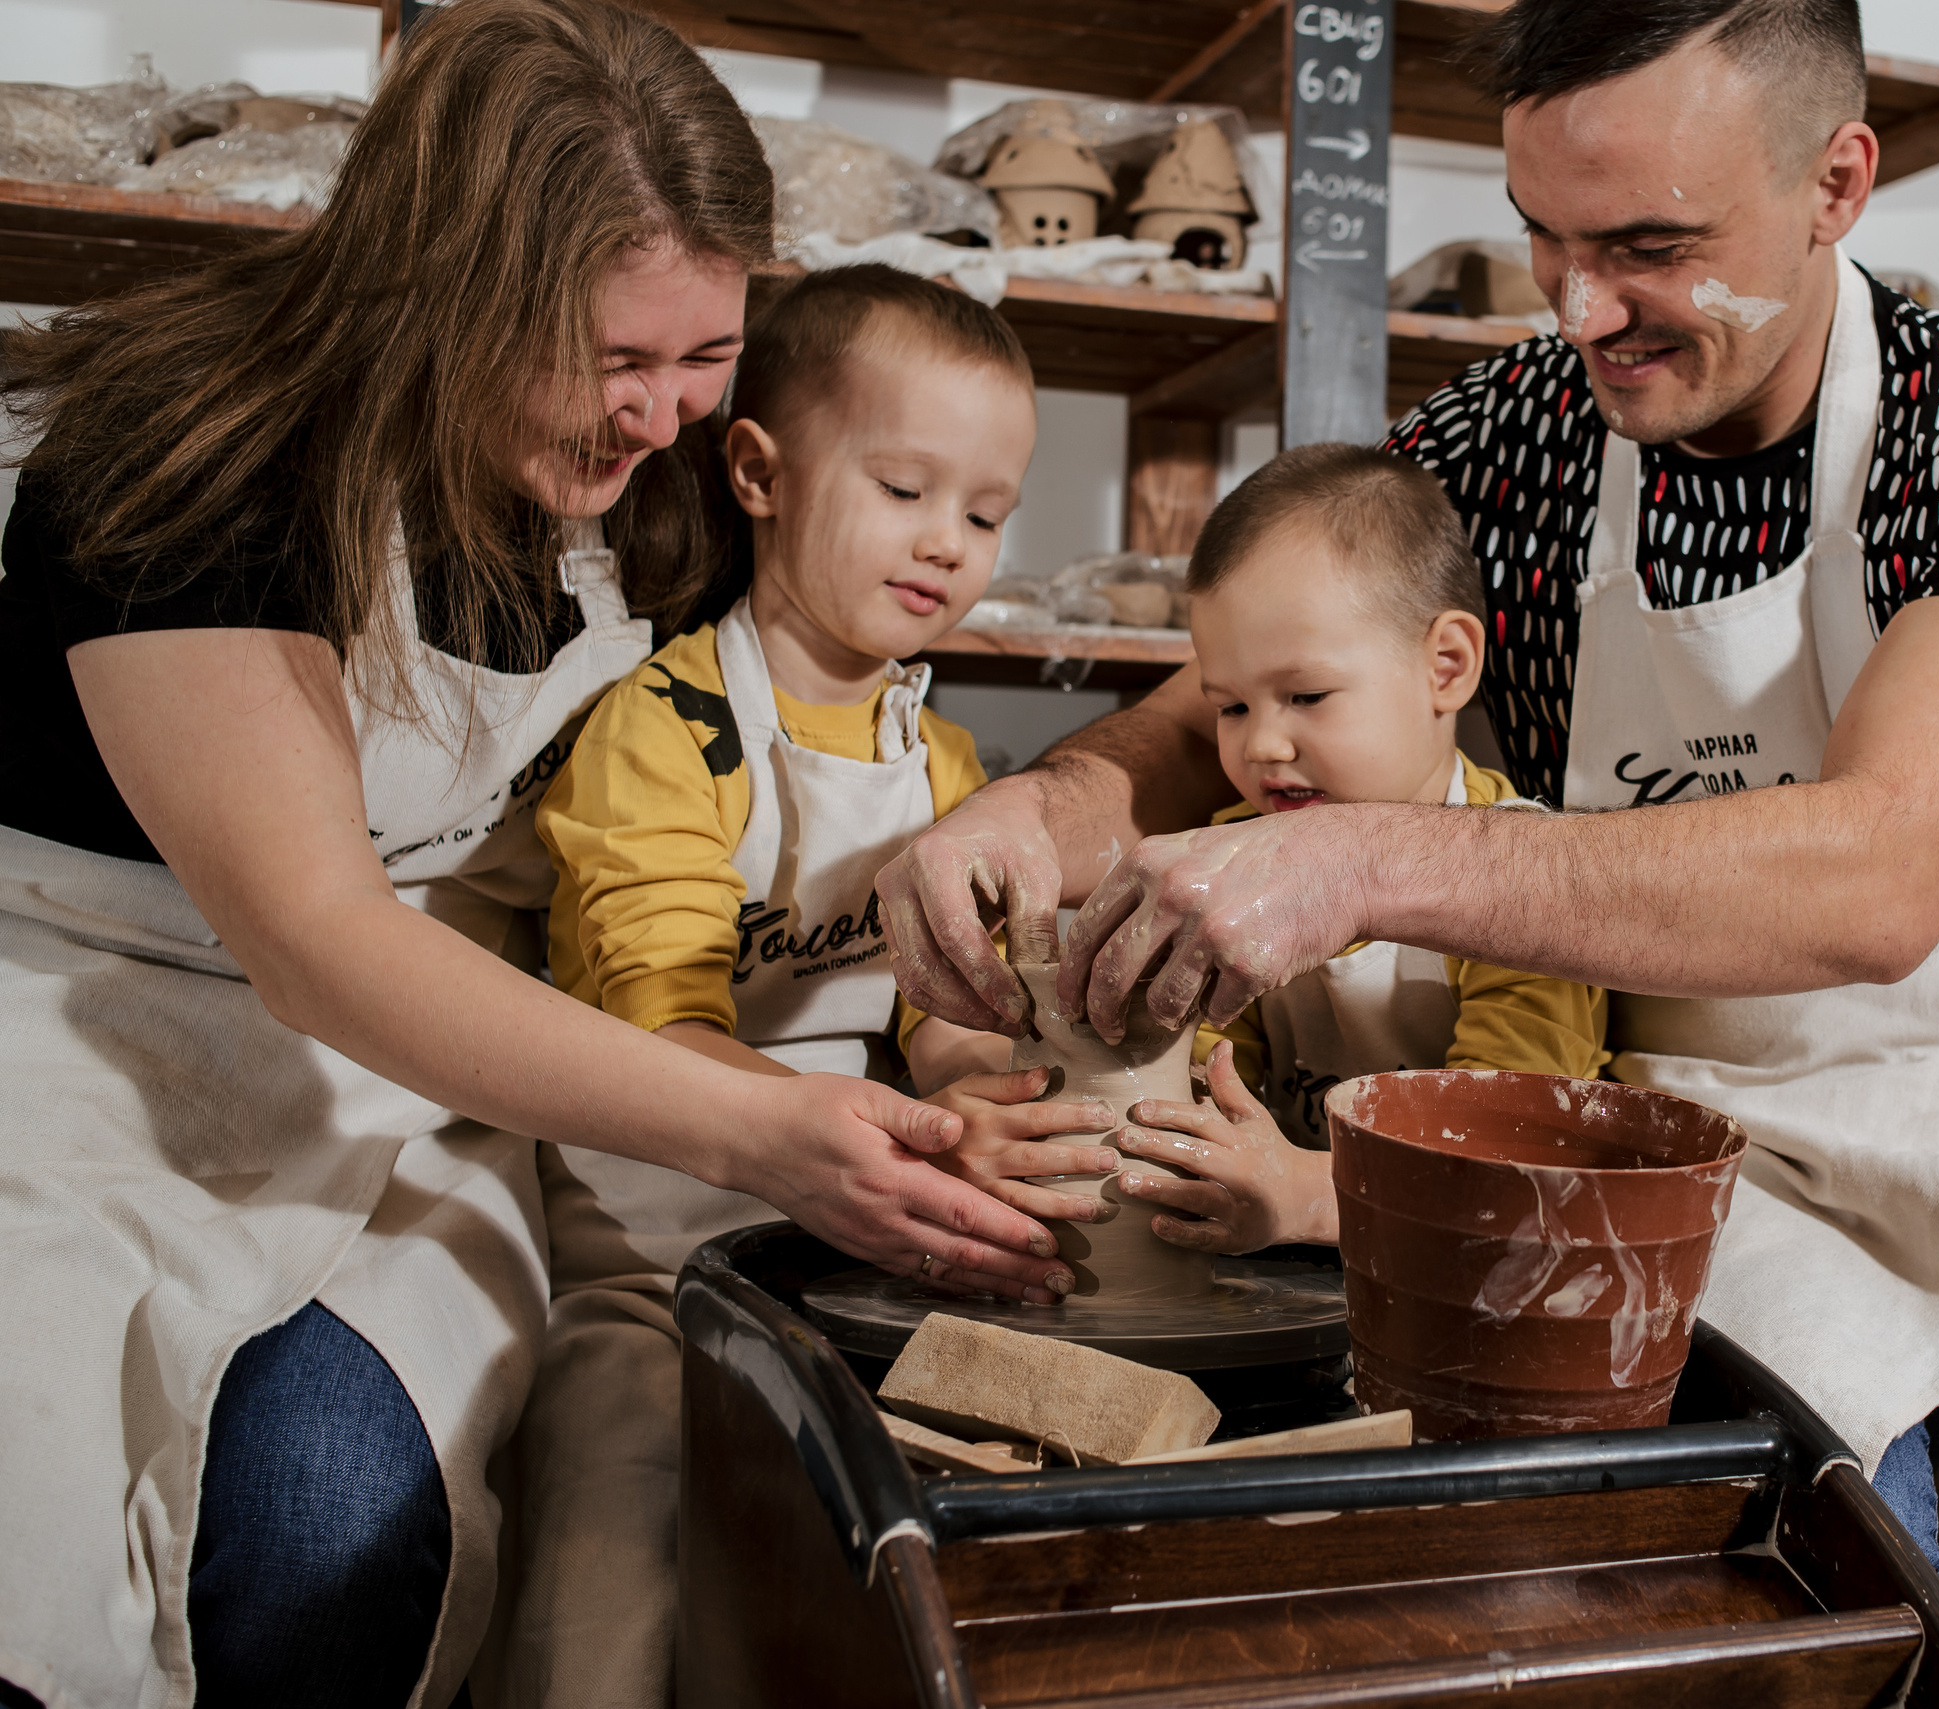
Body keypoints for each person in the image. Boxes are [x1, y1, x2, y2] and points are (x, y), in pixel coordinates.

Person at [877, 3, 1939, 1704]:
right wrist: (1036, 808)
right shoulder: (1502, 439)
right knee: (1808, 1538)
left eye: (1649, 247)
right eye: (1546, 238)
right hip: (1682, 1104)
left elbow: (1883, 877)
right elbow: (1198, 714)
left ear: (1838, 182)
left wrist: (1365, 861)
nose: (1579, 307)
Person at [0, 6, 1064, 1705]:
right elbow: (314, 937)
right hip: (97, 1025)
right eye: (610, 356)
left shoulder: (659, 482)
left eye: (705, 354)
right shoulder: (189, 454)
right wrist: (764, 1125)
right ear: (436, 282)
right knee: (74, 1537)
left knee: (335, 1520)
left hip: (432, 1061)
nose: (658, 414)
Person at [512, 265, 1118, 1705]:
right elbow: (664, 1034)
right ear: (760, 472)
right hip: (651, 1244)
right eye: (905, 488)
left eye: (986, 514)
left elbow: (943, 1024)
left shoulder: (947, 769)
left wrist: (990, 1107)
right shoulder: (663, 732)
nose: (947, 542)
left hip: (849, 1236)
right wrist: (915, 1144)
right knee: (613, 1538)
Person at [1104, 444, 1606, 1254]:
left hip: (1490, 1259)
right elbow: (1211, 1071)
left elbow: (1507, 1148)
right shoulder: (1234, 856)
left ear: (1446, 666)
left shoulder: (1526, 882)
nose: (1262, 745)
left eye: (1306, 695)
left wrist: (1308, 1196)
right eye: (1231, 707)